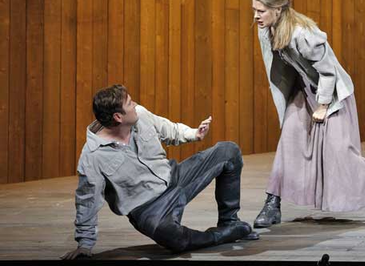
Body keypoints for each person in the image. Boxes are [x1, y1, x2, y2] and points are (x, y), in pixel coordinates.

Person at [251, 0, 365, 228]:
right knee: (289, 141)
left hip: (333, 93)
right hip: (305, 90)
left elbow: (329, 73)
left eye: (261, 11)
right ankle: (272, 204)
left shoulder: (304, 34)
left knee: (340, 151)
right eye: (254, 10)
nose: (255, 16)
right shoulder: (268, 30)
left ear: (277, 9)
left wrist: (323, 105)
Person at [62, 84, 257, 260]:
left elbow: (167, 129)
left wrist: (193, 133)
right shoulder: (93, 156)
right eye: (130, 103)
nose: (135, 104)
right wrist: (84, 244)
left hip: (174, 177)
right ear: (118, 117)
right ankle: (223, 234)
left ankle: (230, 221)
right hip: (149, 209)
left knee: (228, 151)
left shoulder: (140, 115)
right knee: (173, 239)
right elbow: (87, 200)